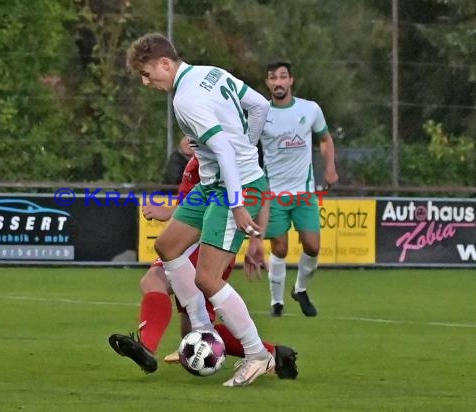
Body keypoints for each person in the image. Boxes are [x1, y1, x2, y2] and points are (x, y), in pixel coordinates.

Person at [117, 33, 278, 387]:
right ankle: (202, 327)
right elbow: (261, 107)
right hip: (211, 186)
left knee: (207, 278)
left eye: (147, 74)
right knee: (168, 246)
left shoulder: (186, 98)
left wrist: (237, 201)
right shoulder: (212, 73)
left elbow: (221, 148)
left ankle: (258, 355)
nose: (147, 83)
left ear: (164, 63)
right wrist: (247, 145)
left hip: (231, 189)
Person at [109, 155, 298, 380]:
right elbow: (192, 204)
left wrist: (257, 239)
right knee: (195, 332)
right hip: (195, 240)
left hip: (208, 243)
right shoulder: (197, 160)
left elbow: (260, 191)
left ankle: (147, 347)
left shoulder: (220, 150)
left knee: (154, 281)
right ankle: (275, 354)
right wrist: (172, 211)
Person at [260, 61, 338, 317]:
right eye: (273, 78)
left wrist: (329, 167)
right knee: (279, 247)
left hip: (304, 192)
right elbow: (247, 147)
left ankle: (300, 289)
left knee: (313, 246)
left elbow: (324, 138)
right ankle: (276, 303)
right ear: (267, 83)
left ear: (291, 80)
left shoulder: (310, 109)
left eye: (283, 77)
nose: (278, 82)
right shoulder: (260, 114)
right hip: (274, 193)